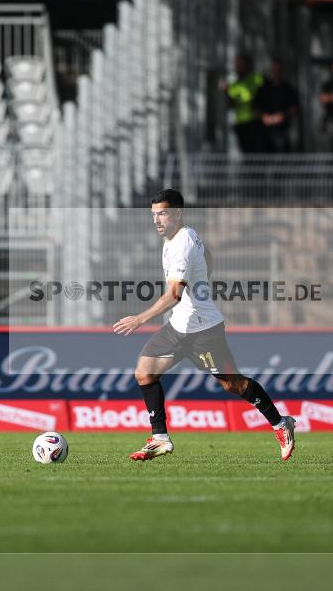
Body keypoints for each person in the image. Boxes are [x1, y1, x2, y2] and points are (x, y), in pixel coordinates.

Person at [113, 189, 296, 462]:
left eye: (162, 214)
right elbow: (208, 256)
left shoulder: (182, 244)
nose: (156, 220)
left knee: (234, 384)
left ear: (177, 213)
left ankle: (281, 423)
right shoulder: (179, 236)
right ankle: (160, 438)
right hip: (178, 328)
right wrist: (203, 280)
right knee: (144, 372)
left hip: (203, 331)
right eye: (153, 215)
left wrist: (140, 319)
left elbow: (174, 295)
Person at [223, 54, 266, 153]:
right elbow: (231, 102)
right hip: (240, 122)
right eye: (237, 64)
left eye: (241, 64)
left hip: (255, 121)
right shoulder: (234, 84)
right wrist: (227, 92)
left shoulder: (256, 78)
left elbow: (259, 93)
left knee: (257, 152)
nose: (238, 67)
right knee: (245, 152)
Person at [256, 59, 300, 152]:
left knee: (283, 154)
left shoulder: (288, 88)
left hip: (283, 130)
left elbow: (295, 108)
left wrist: (282, 116)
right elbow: (255, 106)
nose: (276, 73)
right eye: (274, 70)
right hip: (264, 130)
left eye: (278, 70)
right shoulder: (264, 88)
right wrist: (264, 117)